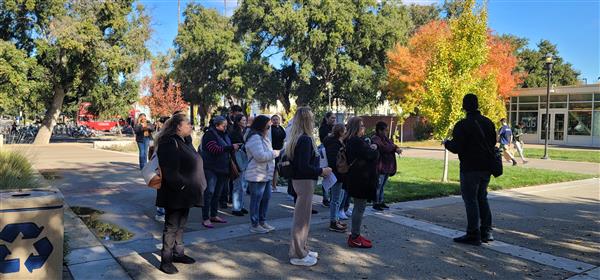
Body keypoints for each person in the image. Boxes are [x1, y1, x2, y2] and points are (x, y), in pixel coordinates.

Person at [155, 113, 207, 274]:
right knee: (171, 226)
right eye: (188, 124)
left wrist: (189, 141)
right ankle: (166, 260)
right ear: (178, 126)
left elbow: (194, 158)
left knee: (181, 225)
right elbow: (169, 170)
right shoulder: (168, 142)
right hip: (175, 193)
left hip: (186, 192)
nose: (191, 126)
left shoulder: (182, 141)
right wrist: (182, 186)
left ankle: (178, 253)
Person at [444, 94, 496, 246]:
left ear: (464, 106)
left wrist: (447, 143)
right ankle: (487, 232)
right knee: (482, 197)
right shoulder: (488, 122)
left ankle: (473, 233)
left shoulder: (462, 125)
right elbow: (492, 142)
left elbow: (456, 147)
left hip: (470, 168)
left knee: (470, 200)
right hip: (486, 167)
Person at [287, 107, 332, 266]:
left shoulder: (297, 137)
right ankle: (298, 254)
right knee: (301, 220)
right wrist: (322, 171)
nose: (313, 122)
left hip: (300, 181)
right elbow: (304, 166)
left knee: (303, 218)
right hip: (304, 181)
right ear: (307, 120)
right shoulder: (304, 139)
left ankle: (301, 249)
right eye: (311, 119)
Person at [344, 117, 379, 248]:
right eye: (362, 125)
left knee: (359, 207)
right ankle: (354, 236)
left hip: (358, 178)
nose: (364, 128)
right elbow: (371, 155)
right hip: (360, 180)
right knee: (359, 208)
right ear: (356, 128)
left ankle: (355, 235)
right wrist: (374, 149)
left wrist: (371, 148)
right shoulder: (355, 141)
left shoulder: (354, 141)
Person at [199, 116, 239, 228]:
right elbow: (213, 149)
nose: (226, 127)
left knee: (217, 193)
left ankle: (214, 215)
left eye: (226, 125)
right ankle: (205, 217)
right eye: (223, 125)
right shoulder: (209, 134)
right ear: (216, 125)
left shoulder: (224, 134)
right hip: (211, 168)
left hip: (223, 168)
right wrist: (231, 147)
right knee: (209, 193)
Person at [244, 115, 280, 233]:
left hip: (265, 173)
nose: (269, 127)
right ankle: (255, 224)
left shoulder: (263, 137)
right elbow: (260, 156)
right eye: (268, 125)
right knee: (256, 199)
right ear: (262, 125)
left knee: (266, 198)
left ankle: (262, 221)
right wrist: (275, 153)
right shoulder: (254, 138)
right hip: (256, 173)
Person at [371, 121, 402, 211]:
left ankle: (381, 201)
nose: (386, 132)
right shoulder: (375, 138)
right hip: (380, 166)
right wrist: (393, 148)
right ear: (380, 130)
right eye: (385, 130)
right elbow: (385, 148)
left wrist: (397, 148)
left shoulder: (385, 138)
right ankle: (375, 203)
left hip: (387, 166)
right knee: (378, 185)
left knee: (382, 185)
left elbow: (392, 145)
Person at [323, 123, 348, 232]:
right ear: (341, 132)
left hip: (339, 174)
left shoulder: (337, 142)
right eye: (345, 131)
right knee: (336, 199)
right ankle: (333, 221)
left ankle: (336, 219)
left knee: (338, 198)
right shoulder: (334, 144)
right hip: (337, 174)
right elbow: (334, 160)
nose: (346, 132)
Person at [152, 115, 172, 223]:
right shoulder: (161, 136)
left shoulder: (160, 135)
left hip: (164, 166)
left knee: (163, 190)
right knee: (162, 189)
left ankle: (162, 211)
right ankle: (160, 212)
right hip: (162, 166)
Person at [229, 114, 249, 216]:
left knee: (242, 185)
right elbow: (233, 148)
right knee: (237, 185)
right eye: (243, 120)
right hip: (237, 160)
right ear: (238, 122)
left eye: (245, 120)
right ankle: (236, 208)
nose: (245, 122)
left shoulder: (244, 131)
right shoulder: (233, 133)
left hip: (243, 159)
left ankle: (241, 206)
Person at [318, 112, 336, 207]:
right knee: (326, 175)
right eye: (332, 118)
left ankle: (331, 197)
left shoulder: (334, 128)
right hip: (325, 152)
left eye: (334, 118)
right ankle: (325, 198)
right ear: (327, 118)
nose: (334, 120)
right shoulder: (323, 128)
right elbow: (324, 139)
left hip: (332, 152)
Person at [271, 114, 286, 192]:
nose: (275, 121)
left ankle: (274, 186)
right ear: (271, 121)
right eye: (274, 119)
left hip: (280, 150)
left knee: (277, 169)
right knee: (273, 168)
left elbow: (284, 138)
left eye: (277, 119)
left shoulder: (281, 128)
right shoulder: (270, 129)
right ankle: (272, 185)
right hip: (272, 150)